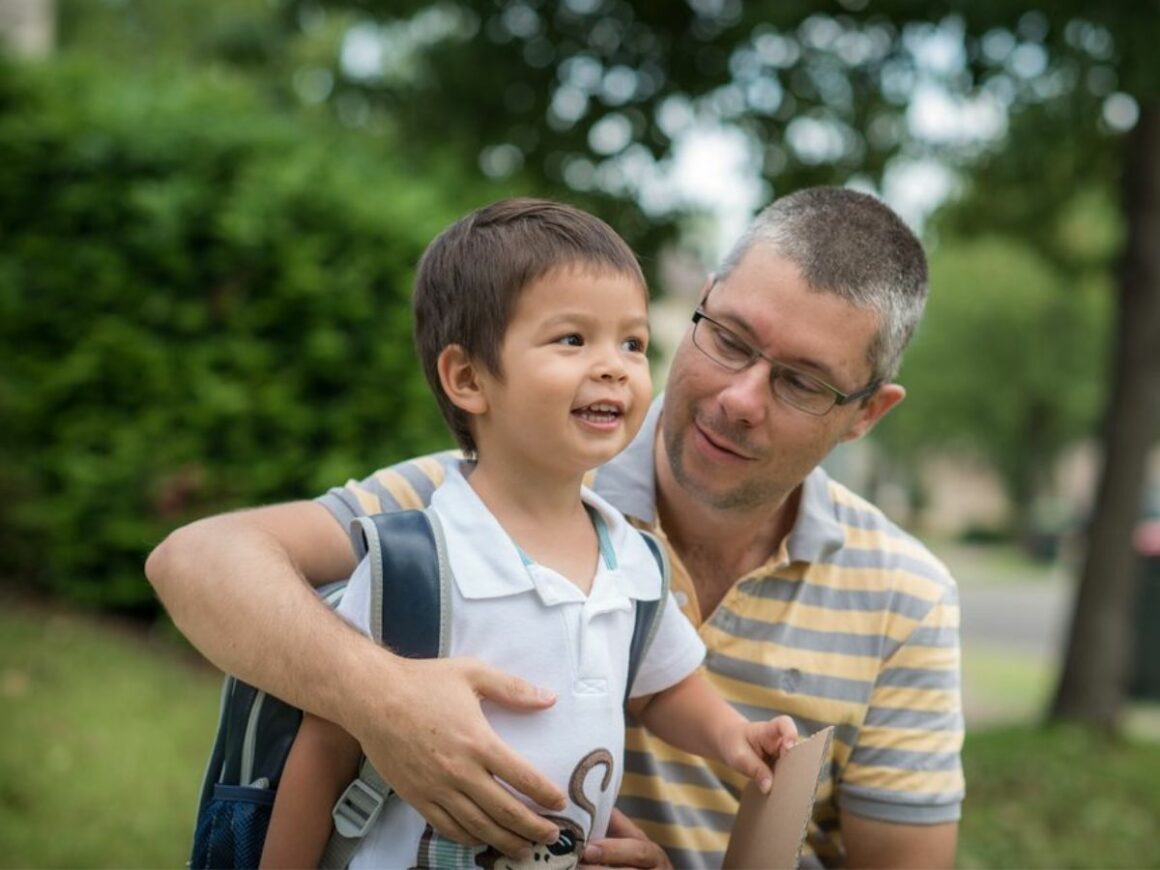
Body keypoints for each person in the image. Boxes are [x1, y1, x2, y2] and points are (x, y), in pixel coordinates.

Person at [147, 186, 964, 868]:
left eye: (801, 383)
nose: (739, 399)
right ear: (702, 306)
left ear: (866, 416)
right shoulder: (465, 498)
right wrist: (383, 701)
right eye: (728, 339)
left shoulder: (906, 599)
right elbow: (196, 559)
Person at [257, 198, 798, 869]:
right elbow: (327, 747)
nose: (614, 366)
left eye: (632, 342)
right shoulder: (417, 565)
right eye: (572, 339)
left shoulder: (635, 560)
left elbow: (661, 688)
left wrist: (733, 737)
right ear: (469, 378)